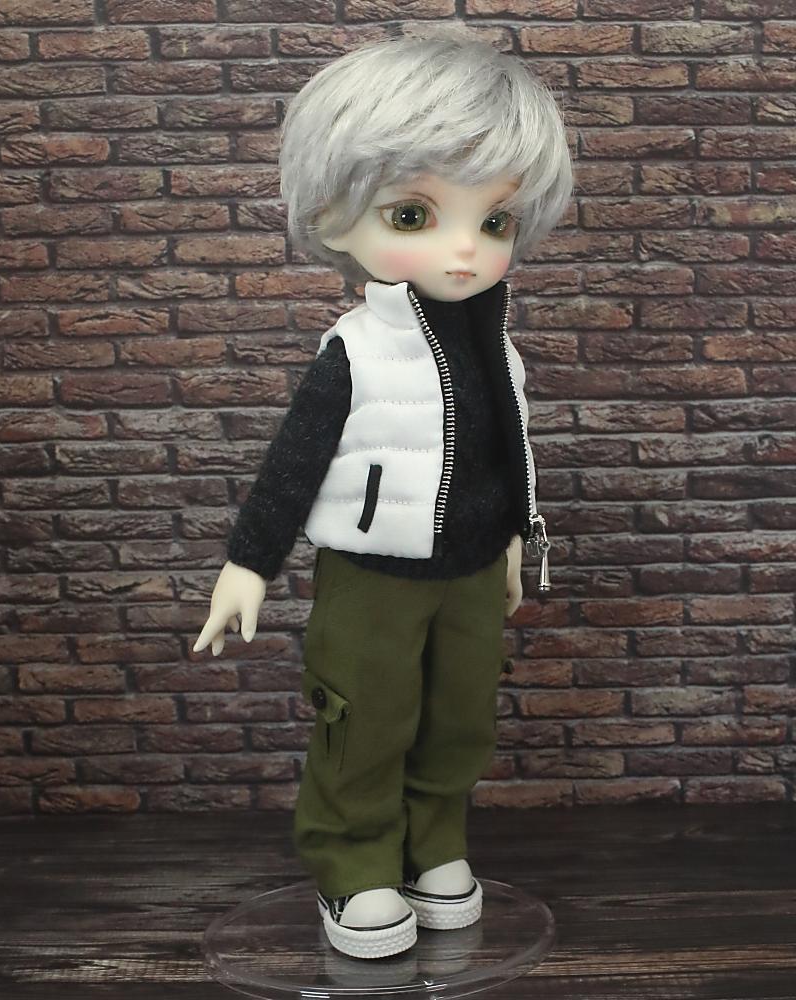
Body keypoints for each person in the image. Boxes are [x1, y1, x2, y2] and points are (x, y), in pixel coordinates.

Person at [193, 30, 573, 960]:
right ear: (334, 218)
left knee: (459, 717)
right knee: (363, 719)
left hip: (472, 571)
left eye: (496, 221)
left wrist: (515, 539)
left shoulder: (498, 348)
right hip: (373, 573)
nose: (465, 249)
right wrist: (249, 563)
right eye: (413, 215)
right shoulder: (355, 354)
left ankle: (433, 845)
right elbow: (293, 463)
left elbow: (502, 456)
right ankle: (356, 862)